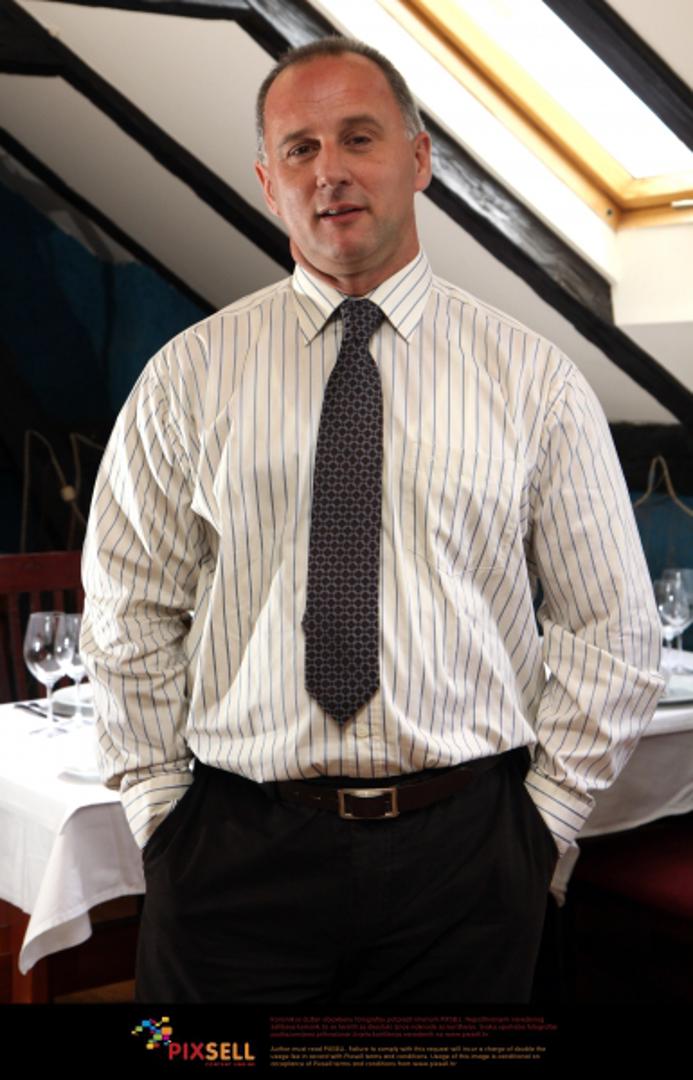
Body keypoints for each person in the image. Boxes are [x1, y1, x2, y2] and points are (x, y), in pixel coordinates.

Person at [80, 37, 664, 1004]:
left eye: (359, 137)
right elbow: (127, 607)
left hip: (466, 863)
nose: (330, 171)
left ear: (419, 158)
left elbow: (612, 626)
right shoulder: (186, 378)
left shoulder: (535, 382)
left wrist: (543, 821)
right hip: (230, 858)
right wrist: (160, 811)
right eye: (300, 148)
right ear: (268, 183)